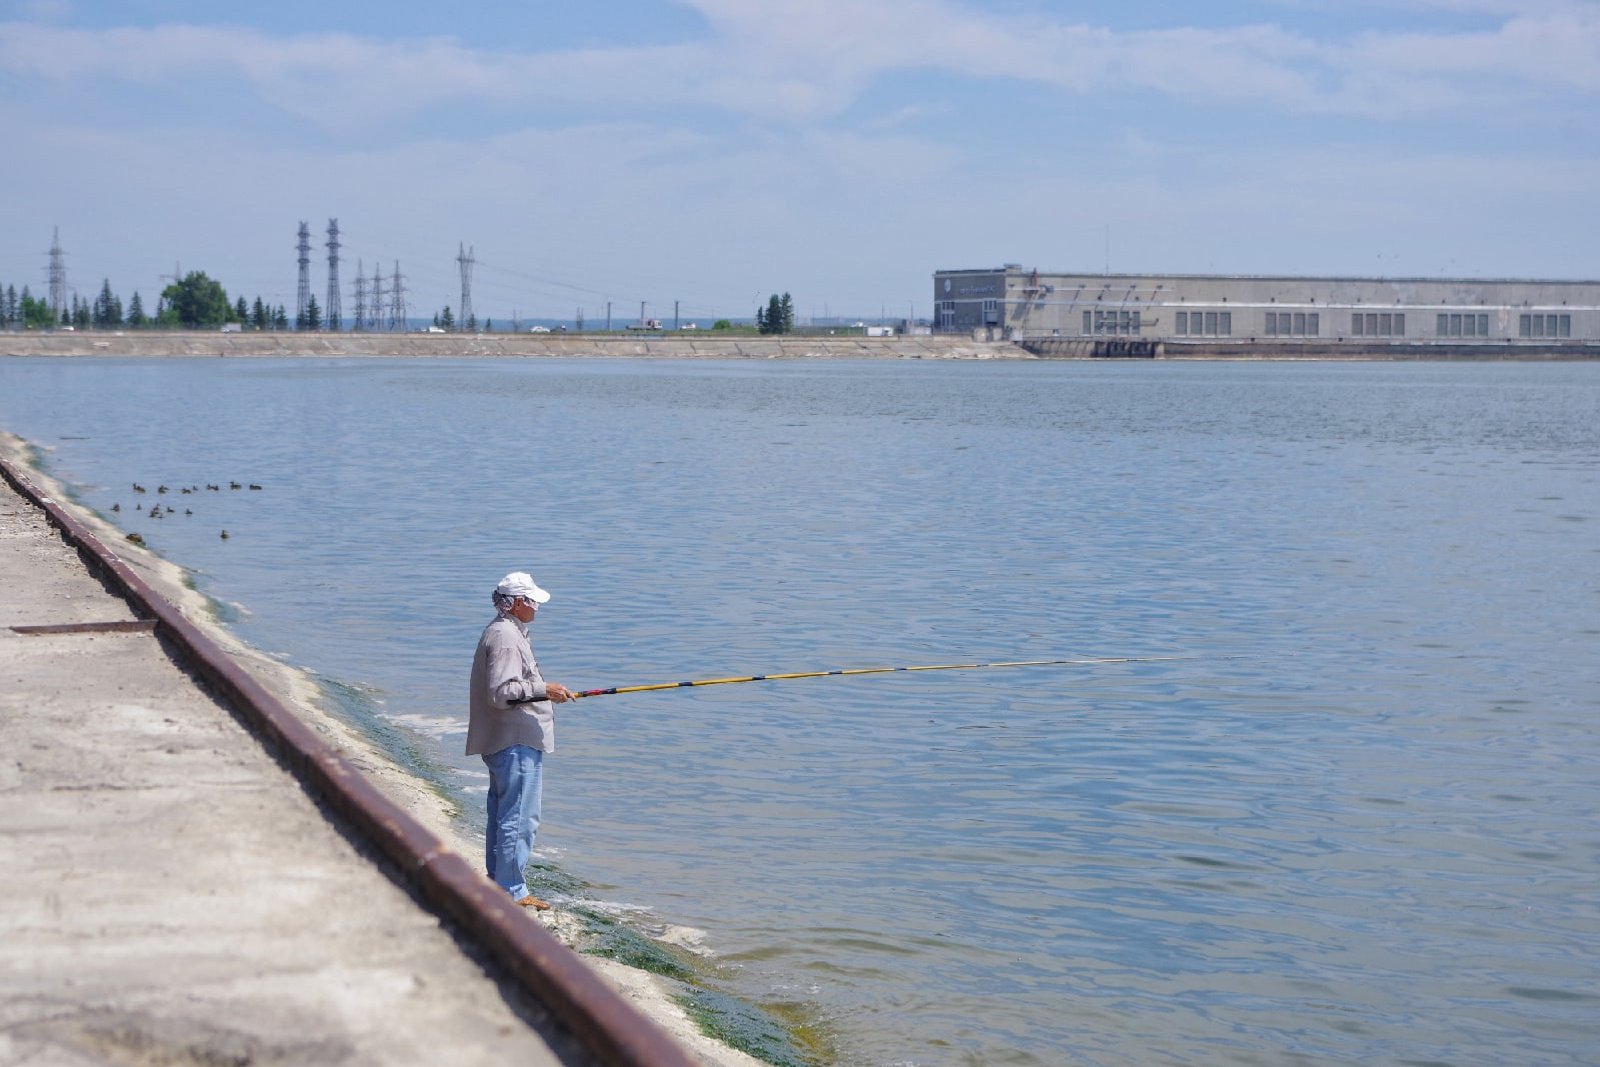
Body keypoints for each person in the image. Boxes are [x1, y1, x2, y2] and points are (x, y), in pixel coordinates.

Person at [467, 571, 574, 910]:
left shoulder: (506, 632)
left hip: (509, 741)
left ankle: (501, 884)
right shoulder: (506, 638)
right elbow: (502, 693)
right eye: (532, 602)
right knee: (519, 818)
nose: (537, 608)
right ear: (515, 603)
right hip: (514, 742)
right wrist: (546, 690)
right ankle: (511, 890)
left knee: (504, 814)